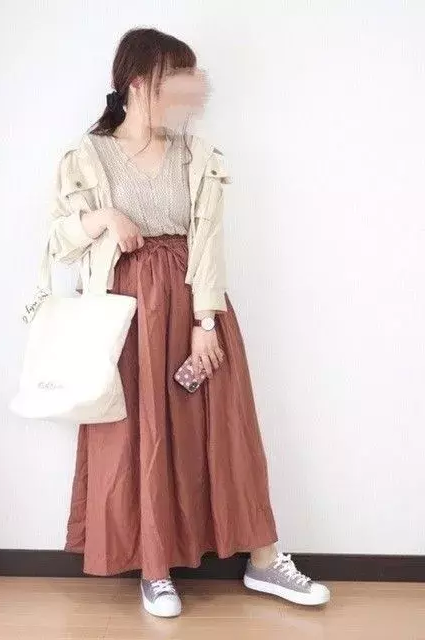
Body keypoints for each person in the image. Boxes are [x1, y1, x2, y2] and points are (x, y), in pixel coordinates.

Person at [47, 27, 331, 617]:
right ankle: (154, 568)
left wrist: (206, 321)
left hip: (195, 305)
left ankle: (263, 559)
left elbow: (208, 240)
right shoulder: (86, 156)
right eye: (173, 83)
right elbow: (60, 241)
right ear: (136, 84)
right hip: (125, 314)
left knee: (228, 430)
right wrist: (104, 218)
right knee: (139, 434)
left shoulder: (196, 154)